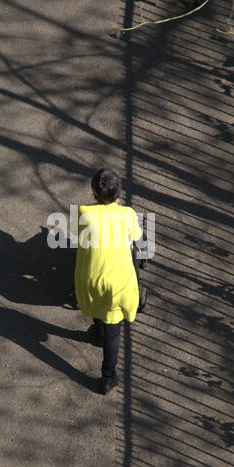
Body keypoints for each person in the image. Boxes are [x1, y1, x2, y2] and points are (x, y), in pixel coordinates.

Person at [74, 168, 142, 394]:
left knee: (96, 297)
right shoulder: (128, 214)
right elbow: (136, 238)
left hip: (92, 277)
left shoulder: (83, 212)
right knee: (115, 330)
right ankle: (108, 378)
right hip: (118, 283)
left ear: (94, 192)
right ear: (118, 194)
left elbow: (80, 236)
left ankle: (98, 334)